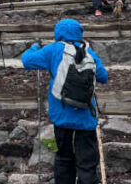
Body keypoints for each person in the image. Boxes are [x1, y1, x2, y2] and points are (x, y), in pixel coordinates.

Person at [22, 19, 109, 184]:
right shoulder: (89, 52)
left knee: (64, 155)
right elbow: (103, 77)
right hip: (86, 117)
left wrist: (34, 47)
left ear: (58, 33)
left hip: (61, 115)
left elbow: (27, 61)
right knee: (87, 159)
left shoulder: (54, 50)